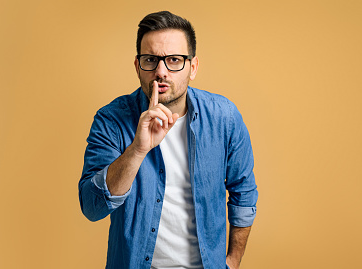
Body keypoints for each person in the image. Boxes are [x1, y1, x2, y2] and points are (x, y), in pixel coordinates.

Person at [78, 11, 258, 269]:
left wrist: (233, 260)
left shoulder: (224, 117)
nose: (161, 71)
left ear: (192, 67)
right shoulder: (111, 120)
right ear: (138, 66)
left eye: (174, 60)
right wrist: (138, 150)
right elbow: (92, 207)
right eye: (151, 59)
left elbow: (244, 192)